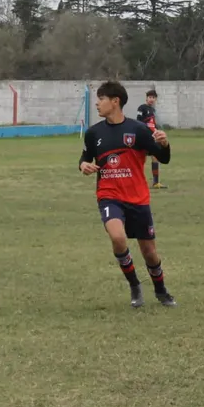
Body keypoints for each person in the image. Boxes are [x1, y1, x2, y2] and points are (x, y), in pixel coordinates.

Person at [79, 80, 175, 308]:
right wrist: (83, 165)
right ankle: (134, 285)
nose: (97, 104)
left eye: (101, 99)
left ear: (115, 101)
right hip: (109, 194)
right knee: (118, 238)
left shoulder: (138, 130)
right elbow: (84, 159)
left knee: (149, 252)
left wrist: (165, 143)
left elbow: (164, 158)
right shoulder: (94, 133)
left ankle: (161, 290)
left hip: (138, 197)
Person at [136, 89, 163, 189]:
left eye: (153, 98)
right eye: (150, 97)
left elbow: (152, 123)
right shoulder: (142, 108)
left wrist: (156, 130)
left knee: (155, 157)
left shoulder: (152, 110)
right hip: (144, 137)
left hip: (152, 137)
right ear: (146, 98)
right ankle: (137, 182)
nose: (151, 99)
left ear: (155, 99)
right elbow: (138, 121)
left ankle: (156, 182)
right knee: (139, 160)